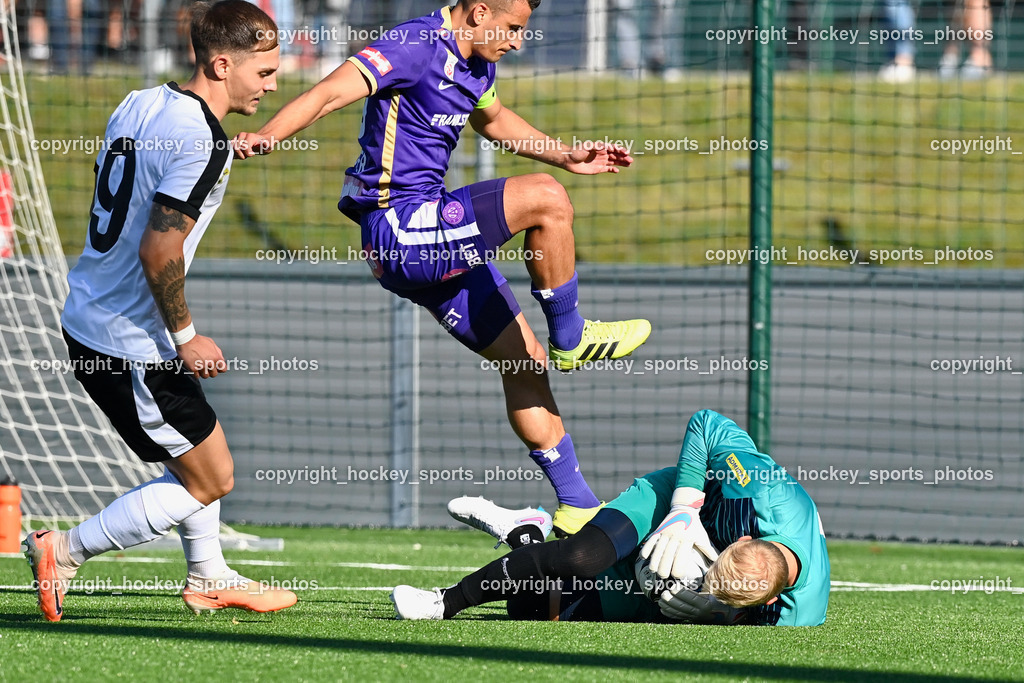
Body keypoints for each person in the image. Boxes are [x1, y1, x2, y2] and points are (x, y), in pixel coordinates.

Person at [234, 0, 652, 536]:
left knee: (525, 361)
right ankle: (571, 332)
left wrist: (567, 154)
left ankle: (578, 507)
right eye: (515, 28)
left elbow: (494, 119)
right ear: (479, 12)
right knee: (546, 199)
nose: (518, 42)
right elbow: (329, 92)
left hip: (426, 238)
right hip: (399, 226)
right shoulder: (413, 44)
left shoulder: (479, 62)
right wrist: (271, 134)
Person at [24, 0, 296, 622]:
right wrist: (187, 335)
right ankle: (63, 549)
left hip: (93, 315)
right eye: (265, 72)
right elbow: (159, 244)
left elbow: (120, 182)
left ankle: (209, 575)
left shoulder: (140, 101)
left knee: (197, 446)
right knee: (211, 477)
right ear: (223, 64)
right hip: (128, 339)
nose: (275, 83)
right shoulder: (204, 139)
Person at [392, 409, 831, 626]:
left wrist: (717, 610)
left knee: (528, 607)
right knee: (580, 556)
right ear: (740, 542)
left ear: (768, 600)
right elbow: (707, 423)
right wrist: (683, 510)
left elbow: (738, 619)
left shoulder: (796, 617)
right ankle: (443, 602)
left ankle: (527, 533)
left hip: (654, 591)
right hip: (667, 506)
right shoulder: (761, 488)